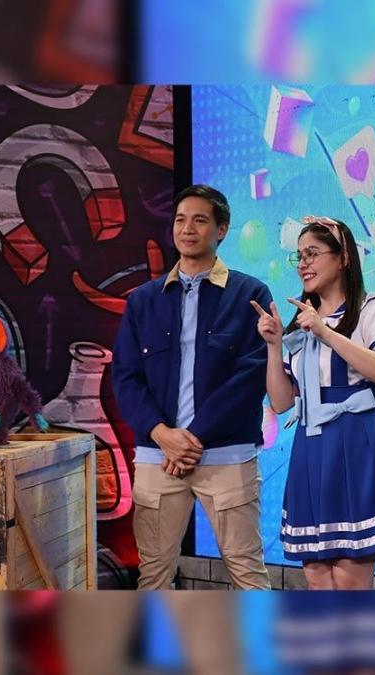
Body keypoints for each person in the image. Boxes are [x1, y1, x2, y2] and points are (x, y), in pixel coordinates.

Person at [113, 185, 271, 590]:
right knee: (153, 575)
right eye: (181, 220)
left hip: (226, 456)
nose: (187, 229)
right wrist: (163, 435)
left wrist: (192, 438)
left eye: (200, 220)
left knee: (247, 573)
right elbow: (126, 377)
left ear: (222, 229)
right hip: (158, 456)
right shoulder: (143, 300)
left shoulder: (250, 294)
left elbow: (251, 376)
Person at [252, 215, 375, 590]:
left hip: (359, 439)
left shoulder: (371, 308)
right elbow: (281, 402)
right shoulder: (301, 323)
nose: (303, 264)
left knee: (349, 580)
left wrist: (325, 331)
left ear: (343, 257)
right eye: (299, 256)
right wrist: (274, 345)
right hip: (313, 447)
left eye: (312, 253)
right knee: (316, 577)